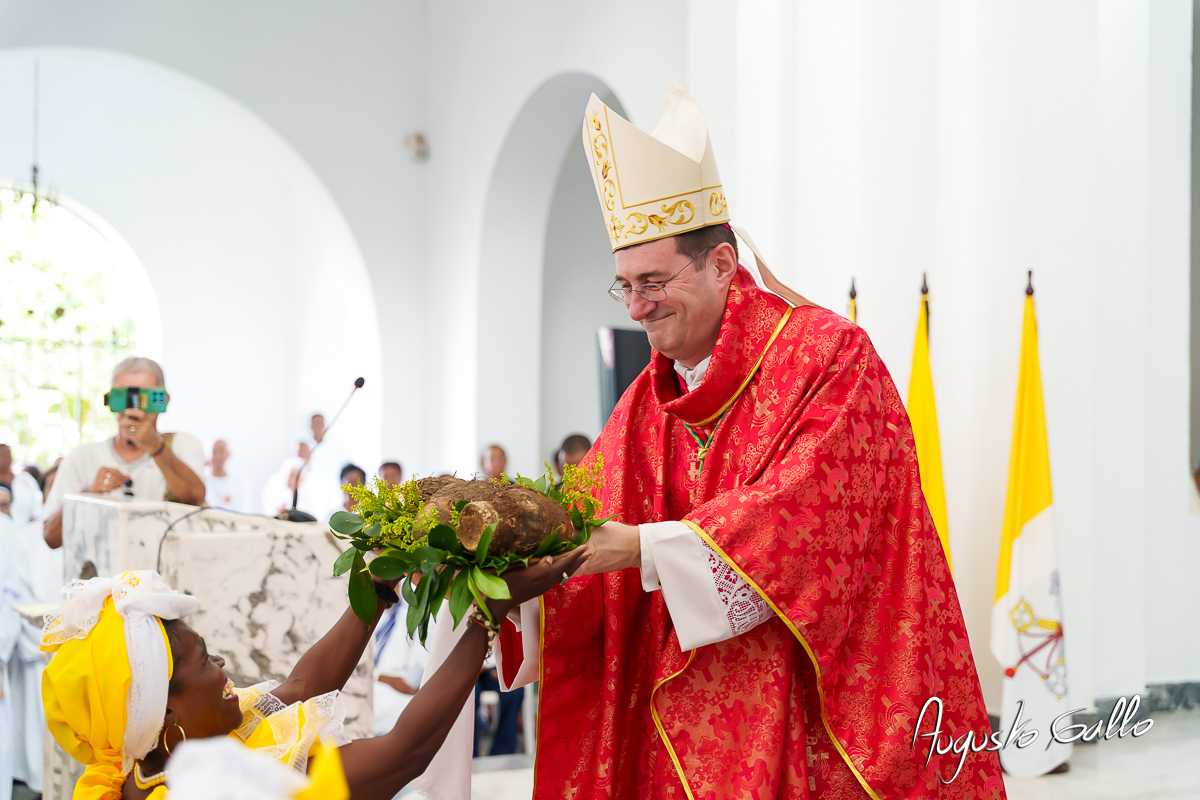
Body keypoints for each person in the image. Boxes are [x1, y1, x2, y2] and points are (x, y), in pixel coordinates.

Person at [470, 83, 1001, 799]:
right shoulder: (644, 405)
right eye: (622, 285)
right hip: (676, 729)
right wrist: (497, 564)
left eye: (653, 280)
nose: (636, 306)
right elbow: (579, 527)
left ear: (722, 264)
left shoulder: (827, 357)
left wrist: (643, 546)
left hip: (815, 714)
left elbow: (809, 525)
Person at [39, 549, 588, 799]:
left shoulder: (150, 759)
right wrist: (486, 614)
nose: (223, 666)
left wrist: (375, 588)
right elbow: (404, 753)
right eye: (205, 661)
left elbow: (300, 690)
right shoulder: (220, 790)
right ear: (165, 711)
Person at [43, 358, 206, 549]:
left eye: (144, 397)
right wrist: (86, 494)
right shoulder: (82, 457)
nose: (132, 408)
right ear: (110, 400)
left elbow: (194, 497)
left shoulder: (181, 446)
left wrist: (156, 447)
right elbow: (50, 537)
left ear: (163, 400)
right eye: (123, 397)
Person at [0, 445, 42, 526]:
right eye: (2, 454)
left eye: (8, 454)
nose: (6, 458)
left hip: (27, 530)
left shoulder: (26, 480)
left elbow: (37, 504)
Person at [204, 439, 248, 513]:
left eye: (221, 451)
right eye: (214, 451)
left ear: (228, 454)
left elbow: (245, 511)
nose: (217, 455)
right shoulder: (202, 479)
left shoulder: (239, 482)